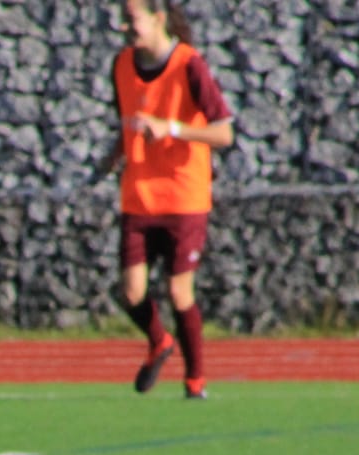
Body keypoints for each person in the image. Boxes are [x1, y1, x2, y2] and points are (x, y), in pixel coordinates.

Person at [105, 0, 235, 399]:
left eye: (133, 18)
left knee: (180, 293)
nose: (126, 26)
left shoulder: (188, 65)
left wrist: (172, 129)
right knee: (131, 293)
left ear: (158, 18)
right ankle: (159, 342)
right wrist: (111, 159)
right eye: (123, 18)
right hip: (139, 197)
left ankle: (195, 379)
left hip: (184, 197)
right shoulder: (122, 65)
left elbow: (224, 134)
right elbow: (126, 123)